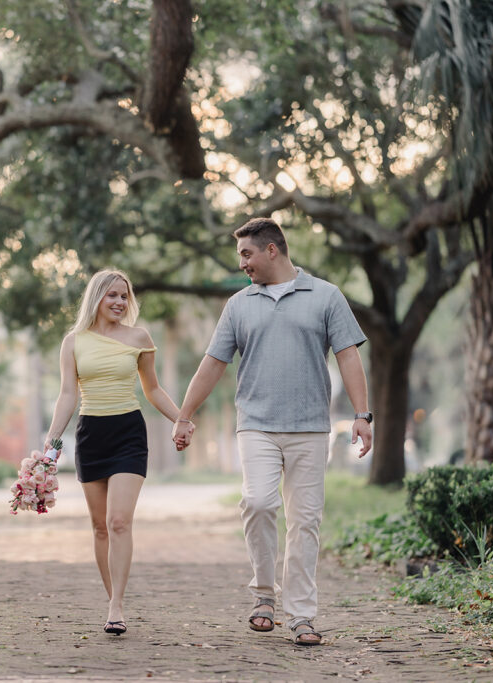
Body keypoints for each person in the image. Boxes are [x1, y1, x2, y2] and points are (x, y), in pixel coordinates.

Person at [172, 217, 372, 646]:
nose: (242, 263)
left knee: (305, 521)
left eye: (246, 254)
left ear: (272, 250)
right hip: (257, 425)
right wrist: (185, 415)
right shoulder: (239, 305)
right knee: (258, 503)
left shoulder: (326, 296)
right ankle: (264, 595)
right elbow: (213, 363)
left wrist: (362, 414)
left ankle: (302, 615)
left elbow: (349, 356)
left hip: (310, 428)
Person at [44, 269, 185, 636]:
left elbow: (152, 389)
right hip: (91, 435)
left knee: (118, 521)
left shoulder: (139, 337)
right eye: (112, 296)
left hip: (128, 433)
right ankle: (114, 603)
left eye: (124, 296)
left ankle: (116, 605)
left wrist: (180, 419)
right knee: (99, 526)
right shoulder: (73, 341)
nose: (120, 302)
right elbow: (67, 395)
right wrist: (52, 440)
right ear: (97, 298)